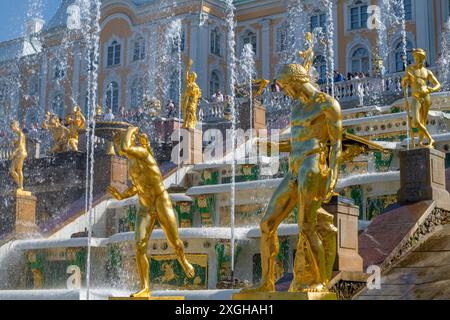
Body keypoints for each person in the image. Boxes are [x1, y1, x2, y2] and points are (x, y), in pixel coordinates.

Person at [244, 63, 341, 293]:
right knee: (267, 224)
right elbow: (298, 141)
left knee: (307, 226)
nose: (285, 92)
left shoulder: (327, 104)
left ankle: (320, 281)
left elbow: (336, 143)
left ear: (295, 81)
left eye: (285, 86)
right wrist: (273, 146)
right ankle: (267, 283)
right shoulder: (297, 108)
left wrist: (333, 176)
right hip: (294, 170)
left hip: (313, 166)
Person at [107, 126, 195, 298]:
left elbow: (126, 148)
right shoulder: (130, 163)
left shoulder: (142, 153)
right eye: (117, 143)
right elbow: (138, 185)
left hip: (160, 201)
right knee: (140, 246)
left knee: (174, 242)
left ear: (129, 140)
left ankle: (183, 261)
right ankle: (145, 287)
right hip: (144, 207)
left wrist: (131, 129)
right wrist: (122, 195)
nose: (119, 147)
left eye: (120, 142)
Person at [402, 48, 441, 148]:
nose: (417, 59)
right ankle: (430, 138)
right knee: (416, 121)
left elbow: (438, 85)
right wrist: (405, 80)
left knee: (423, 121)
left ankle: (420, 142)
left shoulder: (427, 72)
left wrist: (431, 89)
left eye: (419, 57)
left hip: (426, 97)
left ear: (423, 58)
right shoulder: (410, 69)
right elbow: (404, 83)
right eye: (416, 57)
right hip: (416, 97)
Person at [10, 120, 28, 191]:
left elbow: (20, 145)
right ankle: (19, 185)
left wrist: (14, 153)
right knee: (11, 171)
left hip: (21, 153)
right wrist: (14, 142)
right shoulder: (17, 134)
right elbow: (18, 144)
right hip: (18, 153)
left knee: (19, 169)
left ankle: (21, 187)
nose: (11, 129)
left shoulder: (21, 133)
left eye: (12, 127)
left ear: (15, 126)